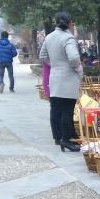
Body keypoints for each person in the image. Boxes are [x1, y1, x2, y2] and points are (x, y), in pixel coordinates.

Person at [39, 12, 83, 152]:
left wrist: (55, 65)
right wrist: (78, 68)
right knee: (67, 110)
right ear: (70, 23)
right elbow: (74, 58)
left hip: (55, 77)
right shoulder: (68, 38)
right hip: (68, 78)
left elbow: (42, 56)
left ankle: (58, 137)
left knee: (56, 109)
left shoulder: (49, 37)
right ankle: (66, 139)